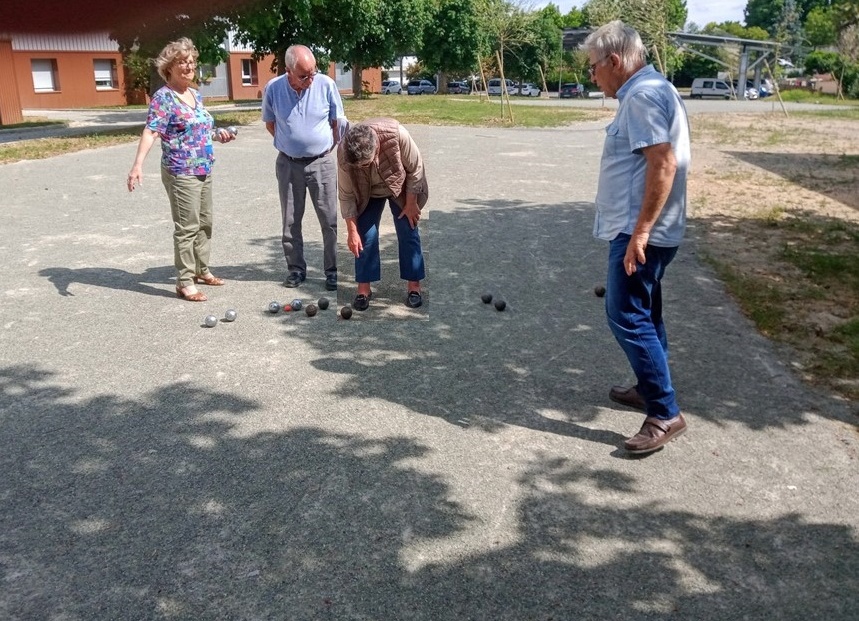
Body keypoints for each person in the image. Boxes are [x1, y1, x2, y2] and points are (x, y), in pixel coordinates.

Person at [581, 21, 691, 454]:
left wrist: (641, 231)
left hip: (640, 230)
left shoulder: (643, 95)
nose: (592, 75)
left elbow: (663, 164)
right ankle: (650, 388)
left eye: (594, 67)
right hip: (647, 228)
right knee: (645, 312)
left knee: (625, 314)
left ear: (614, 61)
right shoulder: (652, 88)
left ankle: (664, 412)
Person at [126, 37, 236, 302]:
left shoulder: (194, 94)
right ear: (169, 68)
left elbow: (201, 129)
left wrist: (218, 134)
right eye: (182, 63)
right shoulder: (164, 98)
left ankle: (201, 270)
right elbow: (152, 131)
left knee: (205, 223)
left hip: (204, 168)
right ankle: (184, 281)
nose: (188, 68)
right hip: (181, 170)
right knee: (187, 227)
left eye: (191, 62)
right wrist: (138, 164)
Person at [262, 45, 343, 291]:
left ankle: (333, 271)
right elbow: (270, 124)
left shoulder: (326, 84)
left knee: (330, 220)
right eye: (304, 76)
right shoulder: (274, 89)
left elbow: (337, 123)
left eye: (313, 72)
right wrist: (293, 145)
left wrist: (322, 148)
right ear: (288, 71)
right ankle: (296, 269)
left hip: (322, 162)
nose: (310, 79)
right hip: (288, 164)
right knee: (290, 221)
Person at [337, 118, 428, 311]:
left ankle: (414, 287)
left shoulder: (398, 135)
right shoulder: (345, 154)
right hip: (366, 191)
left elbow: (416, 169)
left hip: (400, 185)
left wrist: (411, 203)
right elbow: (346, 195)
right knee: (364, 236)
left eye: (365, 164)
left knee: (408, 230)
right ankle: (363, 289)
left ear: (376, 148)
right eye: (359, 166)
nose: (362, 168)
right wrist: (351, 231)